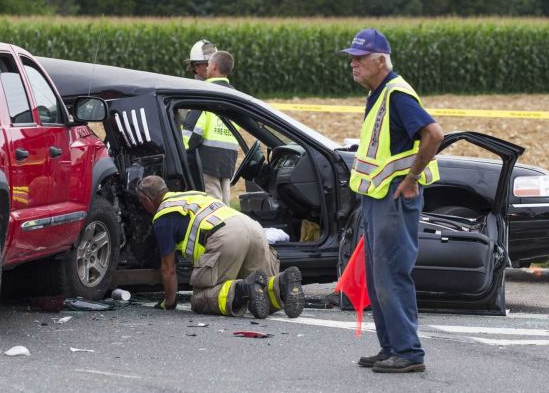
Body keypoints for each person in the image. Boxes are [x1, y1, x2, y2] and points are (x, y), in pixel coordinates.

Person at [340, 28, 443, 373]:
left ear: (381, 60)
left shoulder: (397, 94)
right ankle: (391, 347)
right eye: (351, 58)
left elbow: (434, 135)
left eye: (359, 58)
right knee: (377, 278)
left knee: (391, 275)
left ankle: (409, 352)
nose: (353, 64)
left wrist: (411, 179)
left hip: (395, 198)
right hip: (379, 198)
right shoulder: (379, 94)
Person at [135, 175, 304, 319]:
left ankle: (243, 289)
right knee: (261, 289)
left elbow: (168, 269)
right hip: (254, 229)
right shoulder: (192, 195)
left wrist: (169, 303)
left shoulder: (163, 218)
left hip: (226, 235)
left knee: (201, 298)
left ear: (147, 200)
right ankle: (283, 284)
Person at [182, 50, 239, 204]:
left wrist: (181, 150)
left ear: (214, 67)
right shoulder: (235, 95)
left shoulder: (204, 92)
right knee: (224, 205)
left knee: (212, 207)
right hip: (228, 160)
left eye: (208, 65)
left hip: (207, 160)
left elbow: (194, 129)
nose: (206, 68)